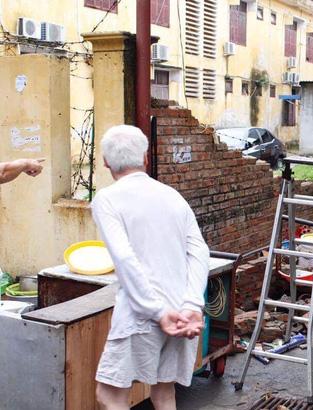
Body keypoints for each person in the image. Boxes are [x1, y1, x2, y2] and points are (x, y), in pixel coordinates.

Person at [92, 125, 210, 410]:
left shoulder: (106, 200)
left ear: (106, 162)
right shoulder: (172, 196)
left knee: (109, 396)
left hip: (141, 315)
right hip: (181, 310)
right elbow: (199, 251)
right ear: (145, 158)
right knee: (164, 392)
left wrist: (157, 312)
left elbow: (123, 257)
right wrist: (192, 304)